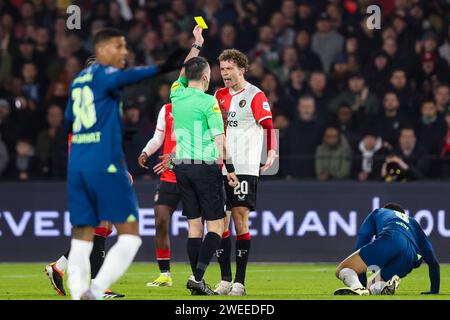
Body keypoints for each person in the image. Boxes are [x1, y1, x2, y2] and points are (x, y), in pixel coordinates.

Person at [64, 28, 180, 300]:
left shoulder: (78, 82)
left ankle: (78, 292)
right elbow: (133, 75)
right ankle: (96, 289)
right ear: (103, 49)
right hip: (103, 165)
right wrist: (164, 67)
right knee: (130, 236)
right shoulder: (105, 75)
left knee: (82, 235)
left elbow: (71, 121)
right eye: (119, 46)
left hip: (78, 165)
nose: (124, 52)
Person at [169, 34, 239, 295]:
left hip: (182, 167)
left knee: (194, 226)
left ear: (187, 76)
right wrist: (230, 170)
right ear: (207, 77)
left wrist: (196, 43)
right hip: (205, 167)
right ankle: (198, 278)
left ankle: (196, 281)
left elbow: (183, 71)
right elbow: (220, 140)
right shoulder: (209, 102)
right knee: (218, 227)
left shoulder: (177, 95)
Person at [136, 24, 206, 288]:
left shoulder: (200, 105)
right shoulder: (167, 108)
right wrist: (145, 151)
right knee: (161, 220)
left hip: (191, 172)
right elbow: (158, 137)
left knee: (195, 226)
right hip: (168, 175)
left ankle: (196, 275)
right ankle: (165, 273)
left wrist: (197, 44)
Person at [213, 49, 278, 296]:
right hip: (220, 168)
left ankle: (239, 282)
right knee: (220, 222)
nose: (224, 73)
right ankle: (225, 279)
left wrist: (271, 153)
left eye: (229, 68)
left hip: (245, 168)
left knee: (240, 218)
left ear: (242, 69)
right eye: (222, 69)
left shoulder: (255, 95)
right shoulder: (217, 96)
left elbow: (269, 127)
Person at [334, 203, 440, 296]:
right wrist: (434, 290)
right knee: (372, 286)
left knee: (342, 269)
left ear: (388, 210)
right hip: (410, 256)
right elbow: (433, 261)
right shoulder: (413, 222)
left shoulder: (378, 212)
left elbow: (362, 241)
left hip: (391, 238)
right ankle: (384, 285)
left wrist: (361, 283)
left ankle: (357, 288)